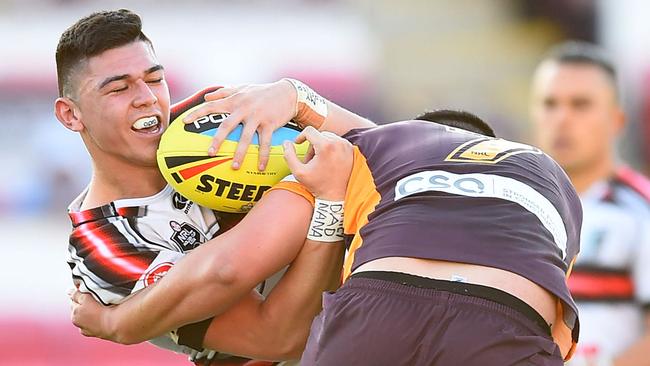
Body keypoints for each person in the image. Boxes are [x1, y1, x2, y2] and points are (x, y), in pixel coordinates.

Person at [71, 80, 583, 364]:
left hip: (380, 306)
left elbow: (228, 272)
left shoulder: (371, 154)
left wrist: (115, 324)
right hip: (508, 317)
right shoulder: (553, 178)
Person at [55, 8, 373, 364]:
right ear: (71, 114)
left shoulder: (208, 118)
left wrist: (297, 96)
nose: (146, 97)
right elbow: (280, 337)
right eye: (118, 88)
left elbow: (379, 149)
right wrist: (327, 200)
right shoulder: (106, 251)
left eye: (154, 79)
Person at [531, 40, 650, 366]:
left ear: (616, 120)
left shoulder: (642, 212)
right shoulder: (513, 210)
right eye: (549, 103)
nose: (562, 118)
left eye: (580, 104)